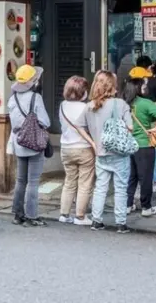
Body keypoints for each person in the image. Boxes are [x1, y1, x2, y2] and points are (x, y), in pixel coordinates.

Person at [80, 71, 133, 233]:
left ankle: (96, 220)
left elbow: (80, 127)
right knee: (121, 188)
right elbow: (130, 127)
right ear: (112, 85)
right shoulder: (120, 104)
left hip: (100, 153)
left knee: (100, 187)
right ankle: (121, 223)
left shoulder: (89, 106)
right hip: (119, 154)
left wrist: (94, 143)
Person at [8, 65, 50, 227]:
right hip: (34, 143)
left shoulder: (12, 99)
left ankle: (18, 214)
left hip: (19, 141)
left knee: (20, 180)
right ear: (33, 81)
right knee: (33, 181)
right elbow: (45, 121)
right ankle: (32, 215)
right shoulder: (35, 98)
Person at [124, 78, 156, 217]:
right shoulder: (146, 103)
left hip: (129, 145)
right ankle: (146, 207)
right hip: (144, 145)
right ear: (138, 88)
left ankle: (128, 204)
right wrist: (155, 128)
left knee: (131, 177)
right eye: (143, 85)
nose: (145, 87)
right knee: (146, 177)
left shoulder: (124, 104)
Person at [58, 76, 96, 226]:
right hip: (83, 147)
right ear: (83, 92)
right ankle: (80, 216)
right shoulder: (86, 108)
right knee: (85, 182)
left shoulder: (62, 106)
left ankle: (64, 213)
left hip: (66, 148)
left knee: (69, 181)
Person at [127, 64, 156, 193]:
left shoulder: (125, 100)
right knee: (151, 161)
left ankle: (129, 200)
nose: (147, 82)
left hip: (129, 140)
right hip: (146, 136)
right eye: (145, 79)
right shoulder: (146, 102)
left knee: (132, 171)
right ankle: (153, 185)